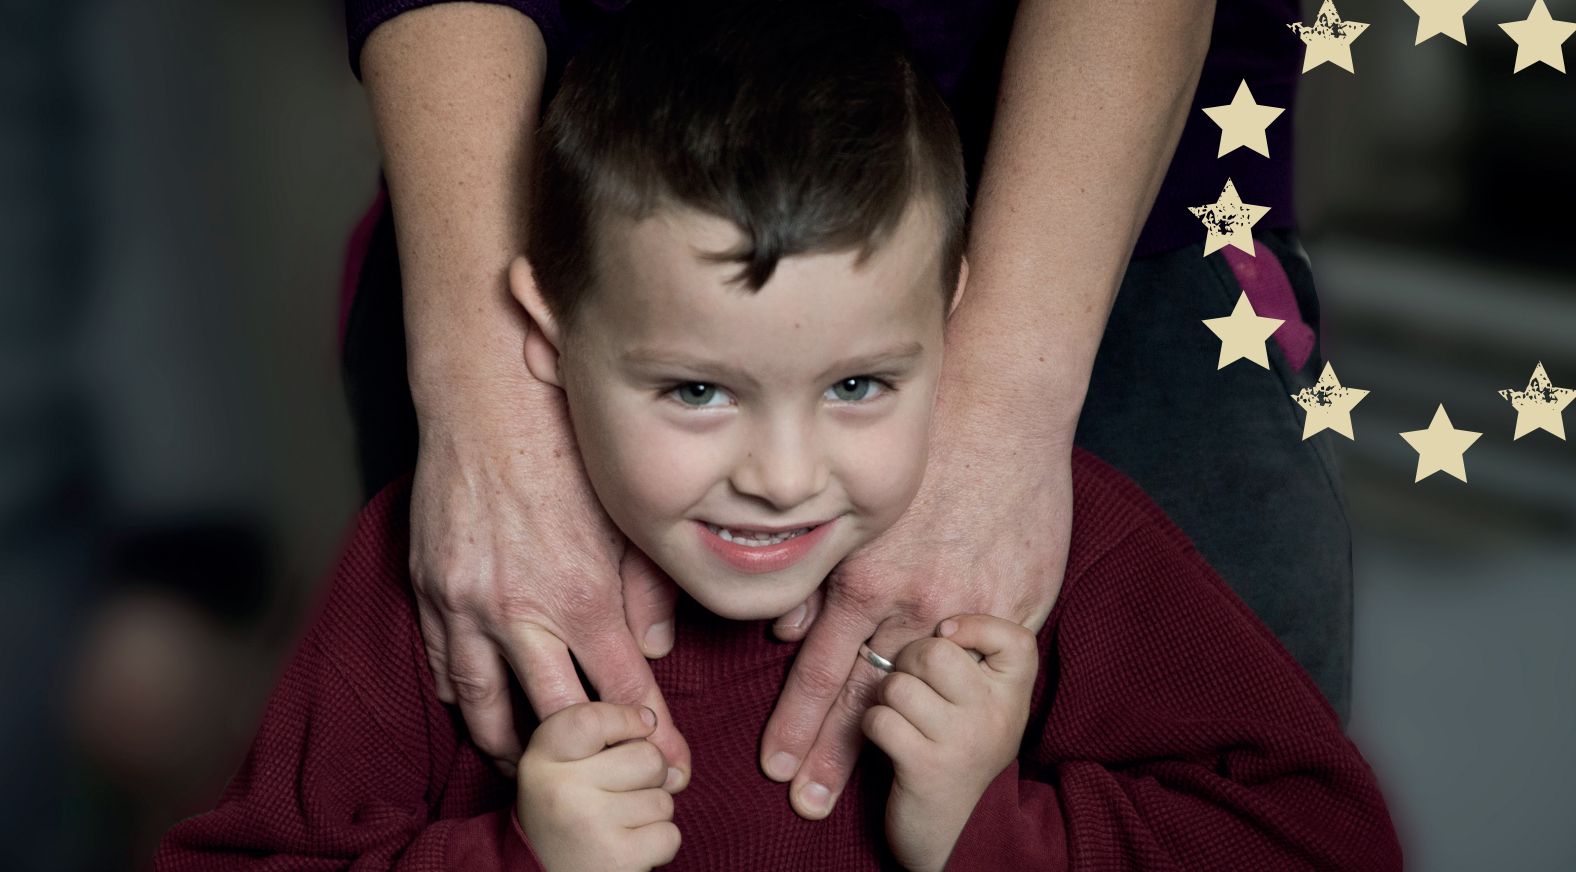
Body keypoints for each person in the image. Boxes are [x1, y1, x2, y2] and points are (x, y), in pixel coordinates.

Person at [158, 5, 1398, 870]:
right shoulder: (421, 587)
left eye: (857, 383)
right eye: (697, 391)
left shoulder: (1100, 541)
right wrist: (516, 856)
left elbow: (1320, 846)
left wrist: (999, 833)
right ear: (544, 329)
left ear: (951, 318)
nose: (783, 477)